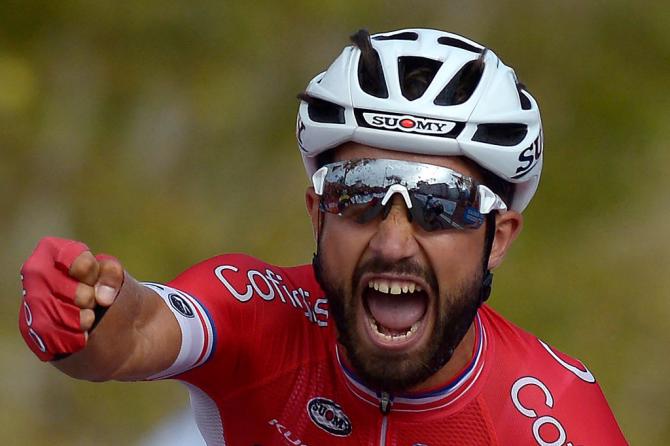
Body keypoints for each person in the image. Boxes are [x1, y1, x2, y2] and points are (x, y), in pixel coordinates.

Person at [18, 28, 628, 445]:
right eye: (358, 194)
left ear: (498, 237)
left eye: (441, 206)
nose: (393, 242)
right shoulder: (261, 317)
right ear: (317, 213)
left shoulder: (556, 415)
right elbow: (140, 327)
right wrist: (87, 317)